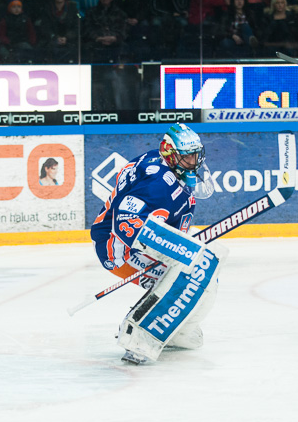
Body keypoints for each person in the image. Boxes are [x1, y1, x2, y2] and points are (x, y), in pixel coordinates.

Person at [89, 124, 221, 365]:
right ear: (170, 154)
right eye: (187, 156)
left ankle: (170, 329)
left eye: (196, 154)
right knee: (184, 276)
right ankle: (136, 336)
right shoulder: (158, 184)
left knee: (193, 272)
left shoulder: (162, 162)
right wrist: (175, 248)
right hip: (118, 246)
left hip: (127, 238)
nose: (194, 161)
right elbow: (126, 224)